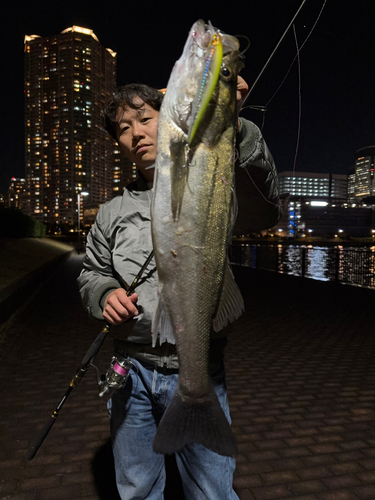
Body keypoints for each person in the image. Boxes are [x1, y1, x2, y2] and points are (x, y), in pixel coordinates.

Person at [77, 77, 280, 500]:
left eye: (145, 119)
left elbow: (264, 203)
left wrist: (231, 122)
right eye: (123, 128)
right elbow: (92, 270)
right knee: (137, 487)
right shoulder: (112, 211)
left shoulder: (207, 180)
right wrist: (102, 294)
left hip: (200, 367)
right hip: (130, 370)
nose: (135, 133)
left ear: (167, 120)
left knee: (212, 490)